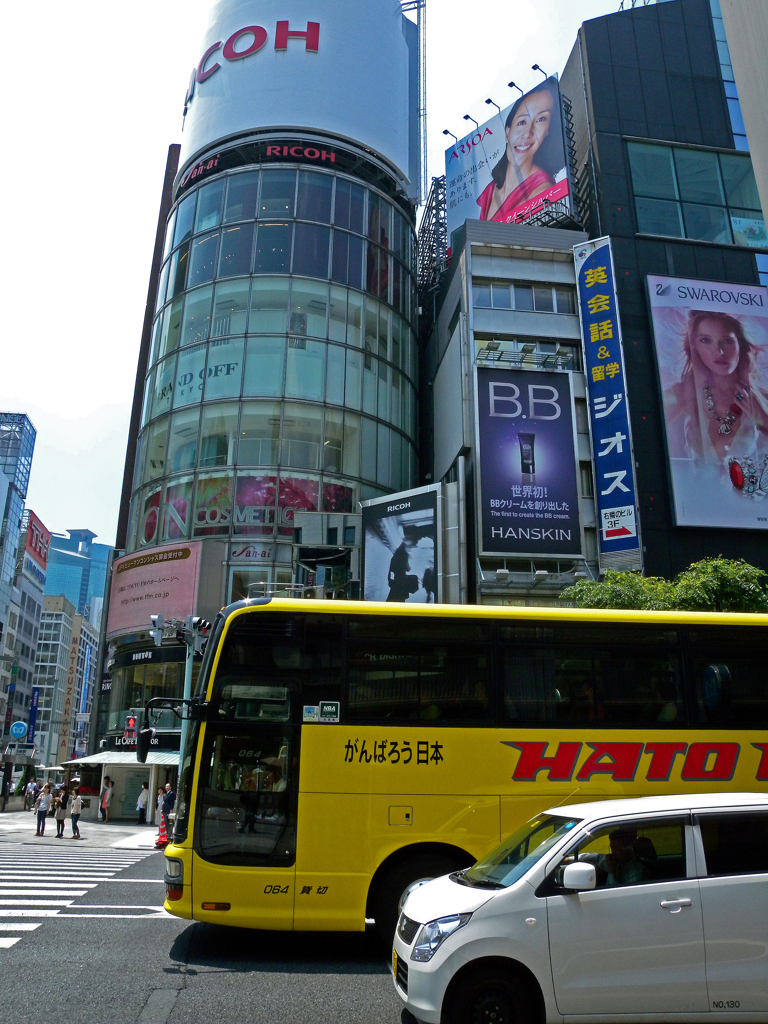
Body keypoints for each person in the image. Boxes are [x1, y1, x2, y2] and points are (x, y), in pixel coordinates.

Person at [663, 310, 768, 467]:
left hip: (748, 491)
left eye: (727, 341)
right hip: (691, 490)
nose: (719, 352)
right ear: (694, 347)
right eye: (705, 340)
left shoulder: (760, 398)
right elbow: (640, 424)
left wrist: (763, 418)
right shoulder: (685, 391)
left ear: (740, 344)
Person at [477, 78, 564, 224]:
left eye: (541, 119)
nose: (528, 133)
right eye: (522, 122)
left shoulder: (542, 189)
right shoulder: (491, 191)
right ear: (507, 132)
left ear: (548, 130)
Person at [579, 828, 654, 888]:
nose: (613, 852)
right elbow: (595, 858)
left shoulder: (636, 872)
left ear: (628, 848)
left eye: (616, 847)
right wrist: (569, 859)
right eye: (611, 848)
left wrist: (612, 872)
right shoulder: (617, 861)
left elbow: (619, 895)